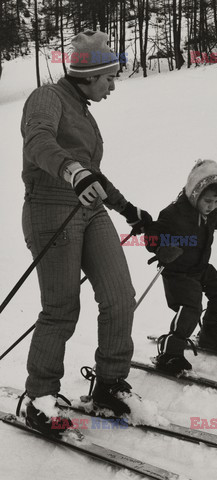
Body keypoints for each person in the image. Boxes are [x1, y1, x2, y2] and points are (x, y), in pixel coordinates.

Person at [21, 30, 152, 436]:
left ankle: (110, 384)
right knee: (61, 309)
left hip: (90, 210)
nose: (113, 86)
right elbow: (37, 141)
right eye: (109, 78)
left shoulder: (83, 109)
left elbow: (91, 173)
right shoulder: (48, 98)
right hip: (50, 210)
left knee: (119, 296)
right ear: (90, 74)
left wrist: (128, 209)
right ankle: (39, 397)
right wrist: (72, 171)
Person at [144, 159, 217, 375]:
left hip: (199, 267)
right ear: (195, 194)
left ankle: (210, 333)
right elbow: (151, 237)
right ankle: (170, 353)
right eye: (208, 200)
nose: (212, 206)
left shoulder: (209, 212)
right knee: (191, 307)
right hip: (177, 272)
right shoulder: (173, 214)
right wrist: (161, 248)